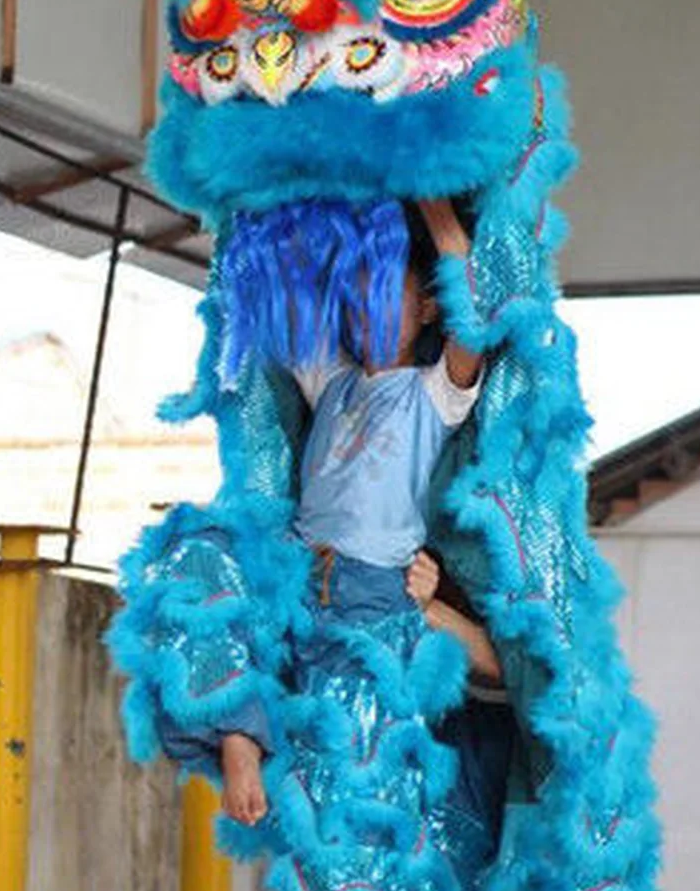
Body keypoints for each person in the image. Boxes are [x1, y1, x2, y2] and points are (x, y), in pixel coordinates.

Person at [168, 194, 493, 828]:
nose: (364, 307)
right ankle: (239, 735)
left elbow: (476, 305)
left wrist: (430, 199)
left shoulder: (433, 395)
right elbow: (284, 287)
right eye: (354, 294)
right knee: (199, 555)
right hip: (296, 577)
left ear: (427, 307)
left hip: (373, 597)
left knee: (345, 777)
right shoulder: (332, 380)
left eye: (385, 292)